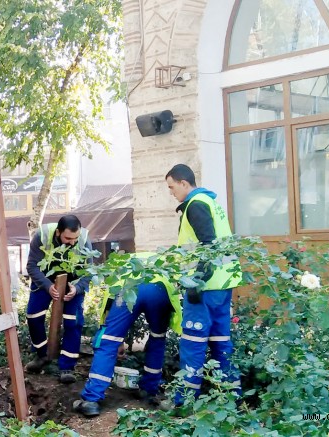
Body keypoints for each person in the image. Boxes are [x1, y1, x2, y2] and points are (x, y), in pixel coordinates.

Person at [164, 164, 242, 407]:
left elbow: (208, 246)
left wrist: (196, 280)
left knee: (193, 343)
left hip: (205, 288)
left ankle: (184, 402)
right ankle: (231, 397)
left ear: (184, 183)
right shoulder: (211, 203)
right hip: (223, 284)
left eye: (172, 187)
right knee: (220, 341)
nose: (171, 192)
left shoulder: (196, 204)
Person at [73, 253, 183, 416]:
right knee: (157, 339)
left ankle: (91, 400)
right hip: (159, 290)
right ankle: (149, 389)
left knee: (108, 341)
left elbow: (109, 308)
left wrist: (117, 340)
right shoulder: (161, 265)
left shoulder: (120, 270)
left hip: (128, 288)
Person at [24, 215, 94, 384]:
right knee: (33, 317)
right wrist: (48, 286)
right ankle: (42, 356)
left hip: (73, 283)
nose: (72, 242)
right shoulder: (42, 235)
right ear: (58, 232)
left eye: (75, 239)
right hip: (45, 281)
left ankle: (67, 367)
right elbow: (32, 266)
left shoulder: (84, 239)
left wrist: (76, 289)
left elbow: (89, 270)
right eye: (67, 238)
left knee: (73, 322)